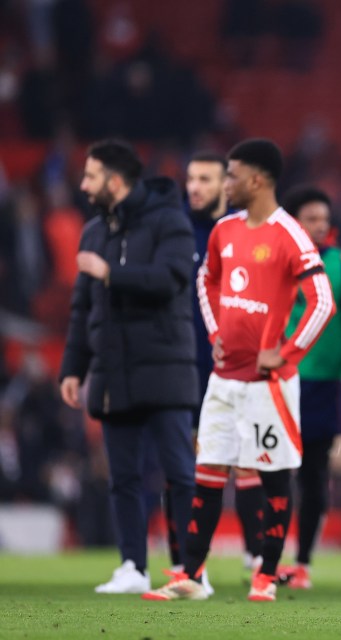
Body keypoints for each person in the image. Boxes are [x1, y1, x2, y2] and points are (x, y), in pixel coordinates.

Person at [143, 138, 336, 602]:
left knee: (272, 476)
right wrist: (215, 336)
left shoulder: (289, 234)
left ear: (256, 180)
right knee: (208, 473)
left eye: (231, 175)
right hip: (224, 380)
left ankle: (266, 576)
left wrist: (286, 354)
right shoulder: (224, 231)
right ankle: (190, 574)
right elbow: (205, 280)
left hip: (268, 386)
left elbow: (322, 302)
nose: (225, 184)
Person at [59, 139, 198, 594]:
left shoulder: (169, 221)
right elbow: (82, 309)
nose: (83, 185)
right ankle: (133, 567)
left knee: (178, 472)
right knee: (122, 477)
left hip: (165, 366)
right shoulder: (93, 232)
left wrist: (111, 274)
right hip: (113, 370)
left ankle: (191, 570)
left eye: (91, 176)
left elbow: (172, 279)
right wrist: (72, 369)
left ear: (115, 181)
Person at [162, 153, 265, 591]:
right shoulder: (175, 231)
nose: (194, 187)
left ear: (227, 184)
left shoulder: (250, 232)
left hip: (240, 369)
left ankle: (257, 556)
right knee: (185, 468)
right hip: (186, 368)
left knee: (250, 463)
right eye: (190, 178)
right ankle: (186, 564)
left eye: (204, 179)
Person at [276, 186, 341, 589]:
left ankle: (301, 562)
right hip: (280, 380)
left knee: (313, 476)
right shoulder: (276, 263)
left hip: (324, 386)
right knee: (273, 473)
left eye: (324, 219)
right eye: (312, 219)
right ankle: (264, 556)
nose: (320, 226)